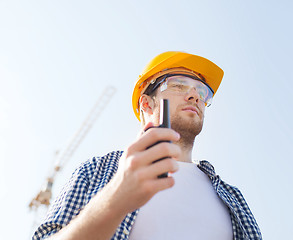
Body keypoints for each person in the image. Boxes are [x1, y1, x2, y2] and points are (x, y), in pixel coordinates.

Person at [33, 51, 262, 240]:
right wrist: (115, 198)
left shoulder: (233, 198)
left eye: (202, 92)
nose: (195, 96)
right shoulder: (96, 171)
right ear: (146, 102)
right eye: (179, 85)